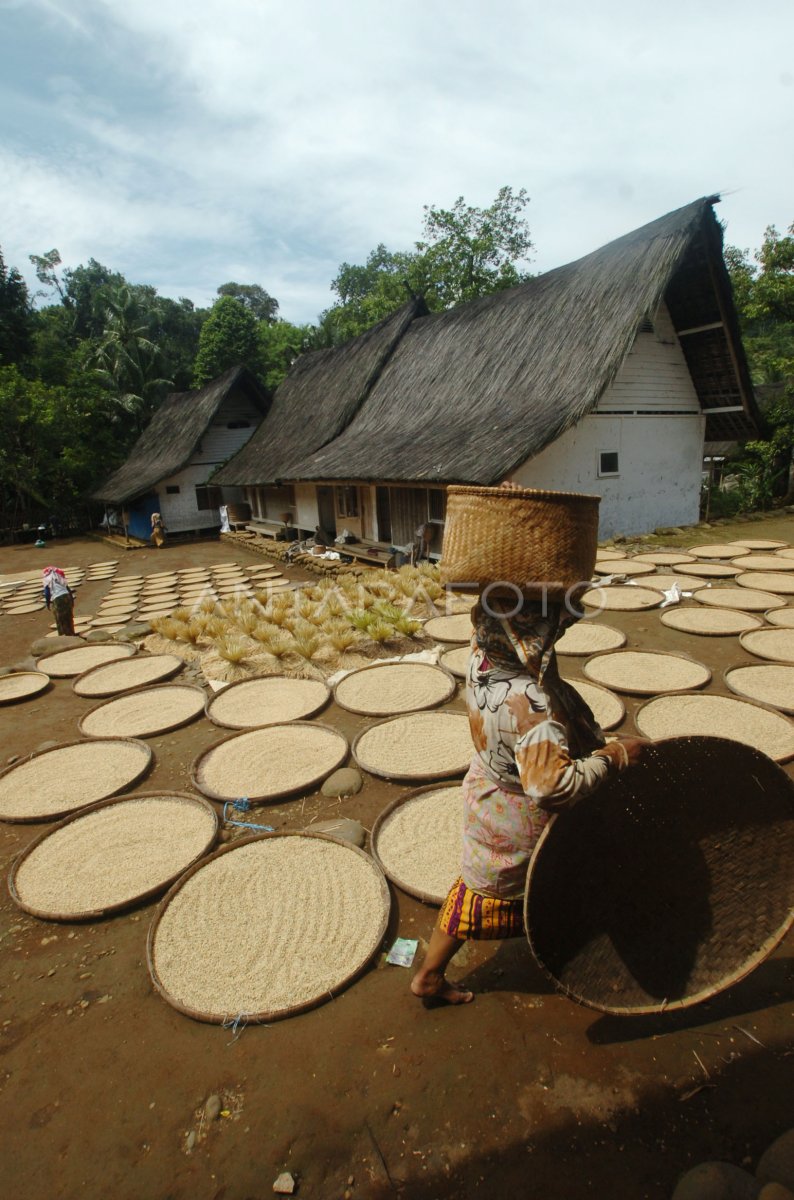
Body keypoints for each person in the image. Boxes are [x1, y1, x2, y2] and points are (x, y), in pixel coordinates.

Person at [411, 487, 650, 1007]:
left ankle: (430, 972)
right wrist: (614, 756)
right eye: (554, 625)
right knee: (499, 895)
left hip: (489, 786)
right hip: (519, 812)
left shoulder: (484, 652)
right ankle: (433, 975)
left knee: (475, 889)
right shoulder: (532, 708)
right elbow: (551, 788)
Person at [42, 566, 76, 636]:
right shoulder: (60, 576)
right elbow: (67, 588)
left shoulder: (47, 579)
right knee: (68, 617)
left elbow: (47, 593)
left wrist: (48, 604)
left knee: (60, 619)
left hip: (57, 599)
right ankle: (71, 634)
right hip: (66, 597)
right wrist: (71, 600)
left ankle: (63, 636)